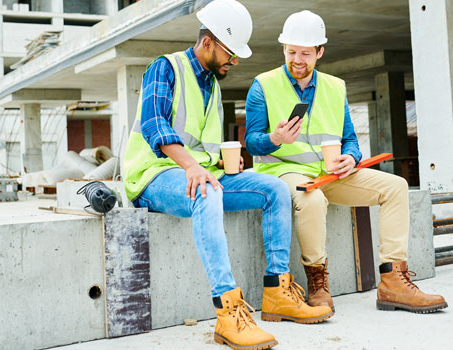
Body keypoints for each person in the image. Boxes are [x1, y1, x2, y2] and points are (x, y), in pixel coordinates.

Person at [122, 1, 333, 349]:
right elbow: (153, 124)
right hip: (152, 177)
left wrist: (223, 164)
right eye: (231, 53)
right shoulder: (166, 68)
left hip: (196, 173)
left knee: (274, 190)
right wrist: (191, 166)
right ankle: (228, 311)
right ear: (208, 43)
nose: (235, 61)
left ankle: (277, 292)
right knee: (208, 192)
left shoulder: (213, 86)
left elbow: (203, 148)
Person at [245, 10, 447, 314]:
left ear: (320, 52)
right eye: (291, 52)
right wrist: (275, 139)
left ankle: (393, 283)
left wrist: (351, 158)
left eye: (305, 53)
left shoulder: (335, 88)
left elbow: (350, 138)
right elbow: (251, 141)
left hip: (331, 173)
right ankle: (317, 282)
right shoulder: (263, 85)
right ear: (283, 48)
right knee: (310, 199)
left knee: (396, 187)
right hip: (283, 170)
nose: (297, 59)